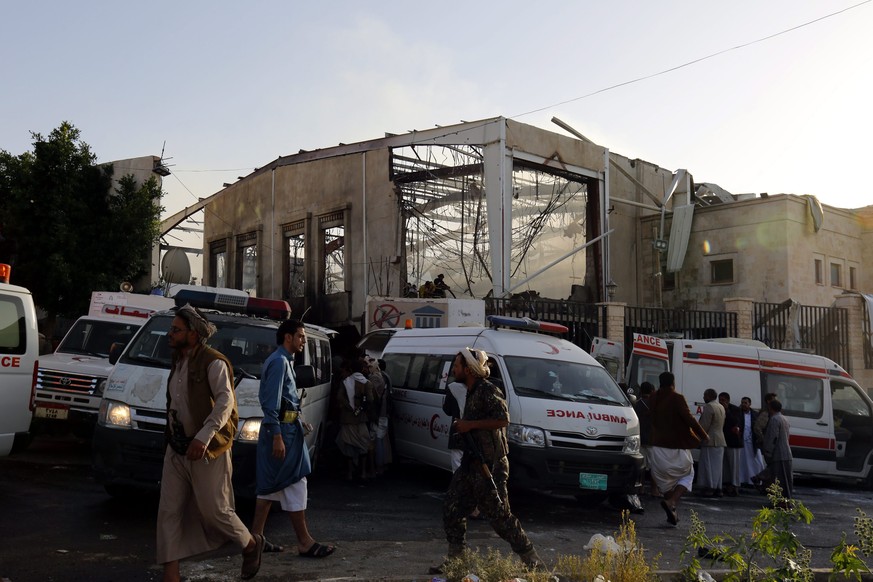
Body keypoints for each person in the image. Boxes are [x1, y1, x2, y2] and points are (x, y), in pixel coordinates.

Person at [156, 304, 264, 582]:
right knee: (168, 510)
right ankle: (171, 574)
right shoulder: (177, 360)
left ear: (193, 334)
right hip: (177, 447)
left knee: (215, 511)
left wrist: (203, 437)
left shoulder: (214, 362)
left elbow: (226, 402)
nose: (170, 334)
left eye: (176, 330)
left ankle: (250, 545)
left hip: (206, 450)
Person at [433, 348, 542, 572]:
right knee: (452, 509)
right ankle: (456, 561)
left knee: (500, 516)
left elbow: (502, 419)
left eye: (456, 365)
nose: (454, 369)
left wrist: (469, 425)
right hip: (470, 463)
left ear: (468, 369)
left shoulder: (487, 389)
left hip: (490, 465)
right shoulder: (470, 391)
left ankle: (533, 562)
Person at [249, 319, 336, 559]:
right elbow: (270, 403)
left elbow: (284, 401)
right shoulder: (278, 362)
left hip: (287, 430)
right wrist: (278, 435)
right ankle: (304, 542)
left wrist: (297, 420)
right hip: (281, 434)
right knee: (296, 482)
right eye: (300, 336)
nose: (303, 340)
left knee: (270, 486)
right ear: (288, 337)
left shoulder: (283, 361)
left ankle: (256, 539)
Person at [649, 371, 708, 526]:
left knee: (665, 482)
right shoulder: (677, 398)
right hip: (675, 447)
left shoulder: (653, 397)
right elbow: (690, 420)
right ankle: (672, 501)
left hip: (656, 448)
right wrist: (703, 435)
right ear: (673, 383)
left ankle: (672, 510)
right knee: (689, 473)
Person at [335, 358, 374, 481]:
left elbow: (339, 397)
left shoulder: (345, 381)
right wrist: (360, 408)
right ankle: (362, 472)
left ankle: (350, 473)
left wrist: (350, 407)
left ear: (350, 369)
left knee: (348, 446)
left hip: (347, 418)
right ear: (362, 369)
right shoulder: (367, 383)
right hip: (361, 419)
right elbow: (370, 400)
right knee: (363, 445)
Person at [697, 388, 726, 497]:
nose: (703, 397)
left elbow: (704, 425)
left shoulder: (709, 407)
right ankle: (718, 488)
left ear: (709, 396)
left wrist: (698, 437)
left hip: (710, 440)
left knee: (708, 465)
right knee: (717, 467)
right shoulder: (721, 406)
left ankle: (709, 488)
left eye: (704, 395)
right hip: (720, 440)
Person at [762, 399, 793, 500]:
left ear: (771, 408)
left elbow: (772, 437)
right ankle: (785, 500)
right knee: (786, 480)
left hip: (778, 454)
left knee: (778, 480)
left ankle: (780, 501)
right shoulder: (784, 419)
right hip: (786, 453)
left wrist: (767, 452)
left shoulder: (774, 419)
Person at [632, 381, 656, 496]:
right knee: (654, 468)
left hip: (640, 439)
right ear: (652, 391)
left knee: (641, 467)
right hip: (652, 440)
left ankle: (640, 488)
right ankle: (654, 490)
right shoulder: (655, 404)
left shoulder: (636, 404)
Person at [719, 392, 743, 497]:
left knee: (734, 465)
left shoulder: (735, 409)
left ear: (728, 400)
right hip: (723, 440)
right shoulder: (718, 408)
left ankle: (735, 485)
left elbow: (735, 421)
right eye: (720, 399)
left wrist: (727, 410)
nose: (721, 401)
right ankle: (726, 484)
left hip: (733, 442)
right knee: (725, 466)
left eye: (723, 399)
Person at [738, 396, 765, 487]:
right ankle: (742, 479)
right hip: (742, 442)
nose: (744, 404)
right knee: (742, 461)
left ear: (750, 404)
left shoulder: (755, 415)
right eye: (742, 403)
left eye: (745, 403)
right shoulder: (738, 413)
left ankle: (755, 479)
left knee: (756, 461)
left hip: (752, 442)